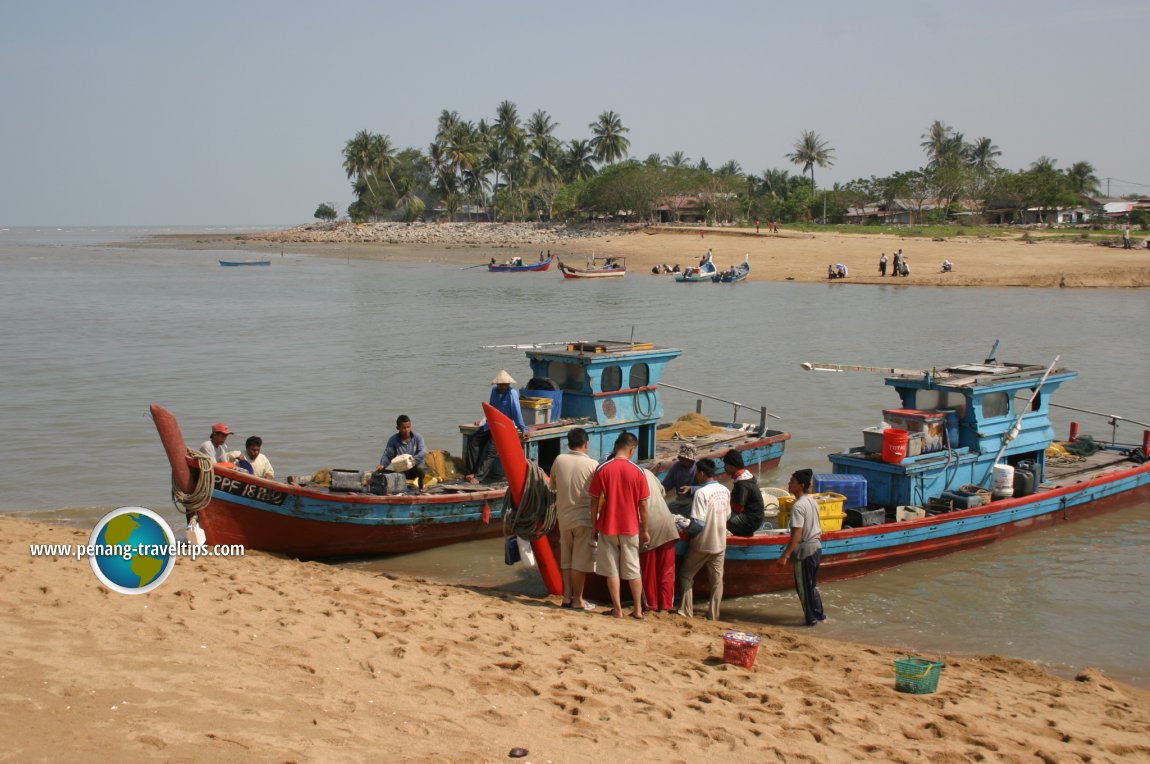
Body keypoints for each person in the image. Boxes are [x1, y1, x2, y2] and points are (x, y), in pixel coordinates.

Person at [588, 432, 650, 619]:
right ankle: (638, 610)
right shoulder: (638, 472)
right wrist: (645, 530)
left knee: (612, 570)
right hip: (631, 527)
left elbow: (593, 502)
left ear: (616, 447)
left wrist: (594, 527)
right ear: (632, 449)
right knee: (633, 569)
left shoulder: (602, 469)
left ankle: (617, 610)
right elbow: (644, 505)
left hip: (608, 526)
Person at [674, 457, 731, 621]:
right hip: (720, 543)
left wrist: (685, 528)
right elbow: (727, 515)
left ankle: (686, 611)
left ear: (701, 473)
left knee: (686, 575)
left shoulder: (701, 493)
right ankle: (714, 615)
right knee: (717, 581)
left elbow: (698, 523)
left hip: (702, 543)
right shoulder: (724, 490)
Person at [549, 428, 599, 610]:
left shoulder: (559, 460)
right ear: (586, 444)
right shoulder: (593, 465)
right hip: (583, 519)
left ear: (568, 444)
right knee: (580, 561)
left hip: (564, 518)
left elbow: (552, 485)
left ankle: (567, 597)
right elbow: (597, 496)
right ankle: (578, 600)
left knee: (566, 560)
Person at [775, 469, 827, 626]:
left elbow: (797, 534)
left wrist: (785, 555)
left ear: (801, 485)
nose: (789, 484)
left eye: (792, 481)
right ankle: (821, 617)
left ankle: (811, 620)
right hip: (817, 548)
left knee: (804, 588)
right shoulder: (812, 501)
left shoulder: (798, 506)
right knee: (811, 586)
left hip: (805, 551)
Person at [464, 370, 528, 484]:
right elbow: (491, 408)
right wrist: (483, 421)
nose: (502, 387)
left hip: (503, 427)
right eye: (500, 384)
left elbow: (516, 413)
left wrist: (523, 429)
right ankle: (471, 471)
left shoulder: (512, 393)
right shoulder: (494, 391)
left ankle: (479, 477)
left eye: (504, 385)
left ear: (508, 384)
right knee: (474, 440)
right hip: (491, 424)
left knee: (492, 450)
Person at [639, 467, 680, 613]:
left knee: (648, 570)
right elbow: (662, 492)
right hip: (666, 522)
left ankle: (651, 605)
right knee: (667, 570)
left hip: (647, 526)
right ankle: (666, 606)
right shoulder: (647, 472)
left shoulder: (622, 476)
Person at [382, 415, 431, 489]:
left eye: (408, 427)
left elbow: (423, 452)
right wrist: (382, 465)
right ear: (398, 428)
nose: (407, 430)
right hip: (403, 468)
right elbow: (388, 455)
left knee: (421, 470)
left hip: (416, 466)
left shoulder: (418, 437)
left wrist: (413, 459)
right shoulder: (393, 440)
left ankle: (421, 488)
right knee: (393, 475)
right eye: (403, 428)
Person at [723, 450, 764, 536]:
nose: (725, 467)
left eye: (726, 465)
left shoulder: (742, 484)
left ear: (732, 465)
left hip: (750, 521)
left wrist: (723, 504)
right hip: (756, 518)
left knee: (719, 517)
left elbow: (738, 508)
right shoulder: (747, 477)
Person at [661, 443, 698, 517]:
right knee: (666, 512)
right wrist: (658, 492)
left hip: (696, 501)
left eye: (682, 457)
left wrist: (691, 489)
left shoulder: (699, 467)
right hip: (681, 500)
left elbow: (708, 487)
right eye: (679, 456)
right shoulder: (676, 467)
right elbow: (666, 485)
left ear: (690, 459)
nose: (679, 458)